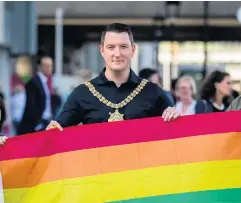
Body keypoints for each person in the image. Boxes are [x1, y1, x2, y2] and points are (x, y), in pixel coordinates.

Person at [17, 55, 54, 135]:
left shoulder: (45, 83)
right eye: (46, 66)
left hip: (46, 122)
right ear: (39, 67)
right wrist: (38, 124)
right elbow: (31, 105)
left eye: (50, 65)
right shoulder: (33, 82)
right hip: (35, 126)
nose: (49, 68)